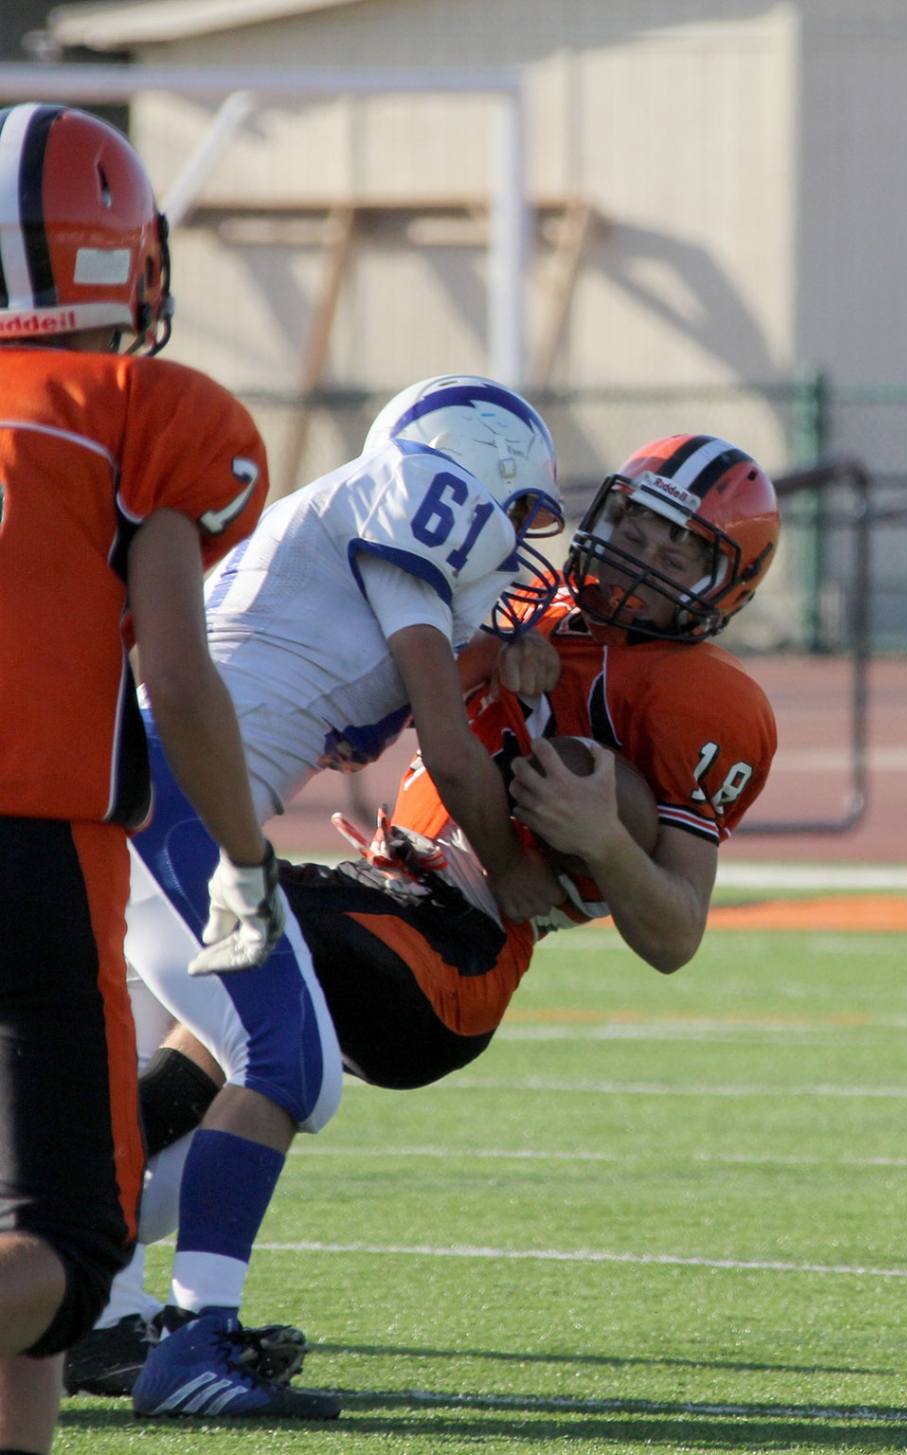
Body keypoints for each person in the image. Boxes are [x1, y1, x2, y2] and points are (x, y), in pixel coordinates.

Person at [67, 431, 780, 1401]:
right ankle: (64, 1269)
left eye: (679, 551)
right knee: (186, 1064)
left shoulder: (710, 701)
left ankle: (174, 1317)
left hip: (457, 950)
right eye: (639, 529)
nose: (644, 558)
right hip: (376, 888)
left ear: (725, 582)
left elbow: (674, 935)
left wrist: (603, 841)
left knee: (246, 957)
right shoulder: (525, 599)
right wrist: (495, 645)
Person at [100, 374, 567, 1418]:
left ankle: (95, 1311)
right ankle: (195, 1340)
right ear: (479, 462)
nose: (524, 539)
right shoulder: (417, 488)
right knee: (291, 1064)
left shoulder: (351, 521)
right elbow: (446, 744)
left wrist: (494, 647)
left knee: (120, 1086)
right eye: (524, 507)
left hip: (131, 791)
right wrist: (512, 873)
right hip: (173, 806)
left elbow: (344, 664)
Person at [0, 102, 285, 1455]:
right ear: (125, 256)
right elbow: (176, 674)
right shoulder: (141, 412)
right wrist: (242, 853)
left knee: (18, 1267)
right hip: (29, 847)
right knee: (67, 1241)